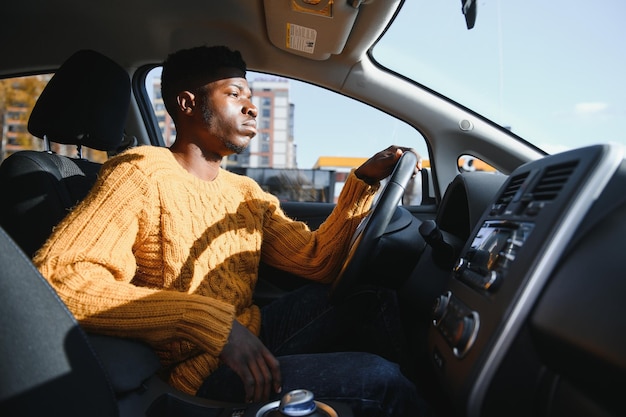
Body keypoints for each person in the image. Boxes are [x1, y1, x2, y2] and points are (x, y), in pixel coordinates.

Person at [34, 45, 427, 416]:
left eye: (251, 95)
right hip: (198, 373)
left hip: (249, 332)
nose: (252, 107)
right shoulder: (140, 173)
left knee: (371, 294)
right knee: (380, 380)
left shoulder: (245, 192)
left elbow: (316, 261)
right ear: (188, 104)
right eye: (235, 93)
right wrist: (210, 323)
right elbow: (61, 279)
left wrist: (361, 182)